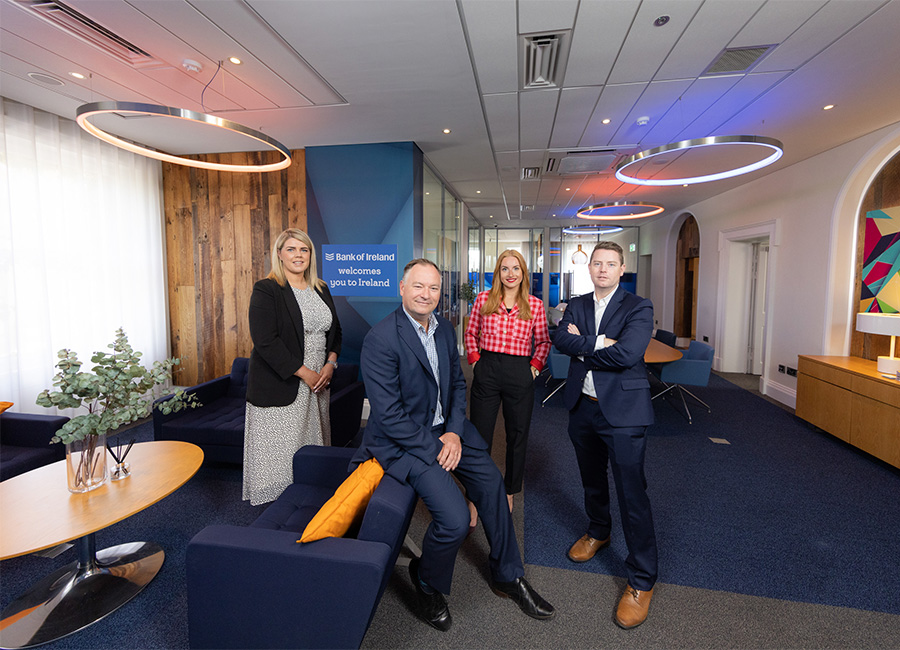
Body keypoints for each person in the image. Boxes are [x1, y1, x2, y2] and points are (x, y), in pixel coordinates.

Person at [353, 258, 555, 631]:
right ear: (401, 288)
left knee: (493, 485)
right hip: (406, 443)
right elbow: (390, 415)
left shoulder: (444, 329)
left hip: (447, 431)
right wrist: (436, 446)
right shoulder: (380, 339)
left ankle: (507, 575)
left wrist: (452, 433)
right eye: (418, 286)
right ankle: (426, 580)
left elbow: (458, 386)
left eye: (433, 288)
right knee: (456, 520)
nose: (426, 294)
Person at [553, 241, 657, 629]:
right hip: (583, 408)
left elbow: (628, 355)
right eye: (596, 263)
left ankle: (642, 579)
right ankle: (598, 531)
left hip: (625, 413)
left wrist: (581, 348)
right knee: (591, 480)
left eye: (610, 264)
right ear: (589, 267)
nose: (602, 269)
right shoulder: (576, 304)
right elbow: (559, 339)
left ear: (621, 267)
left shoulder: (638, 307)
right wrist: (596, 343)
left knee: (632, 494)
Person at [243, 228, 342, 506]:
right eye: (291, 249)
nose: (298, 255)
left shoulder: (321, 288)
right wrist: (305, 373)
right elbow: (265, 340)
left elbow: (337, 333)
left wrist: (330, 364)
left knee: (312, 446)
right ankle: (280, 505)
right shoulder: (268, 289)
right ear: (279, 255)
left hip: (320, 382)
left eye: (304, 250)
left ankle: (309, 499)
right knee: (283, 451)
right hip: (283, 381)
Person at [465, 250, 550, 513]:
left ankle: (510, 490)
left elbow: (544, 342)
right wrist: (477, 362)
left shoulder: (534, 305)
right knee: (479, 435)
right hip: (487, 369)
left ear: (524, 273)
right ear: (497, 273)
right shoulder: (483, 299)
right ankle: (475, 494)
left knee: (517, 435)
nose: (510, 274)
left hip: (519, 372)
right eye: (505, 268)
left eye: (516, 269)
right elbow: (470, 333)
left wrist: (533, 369)